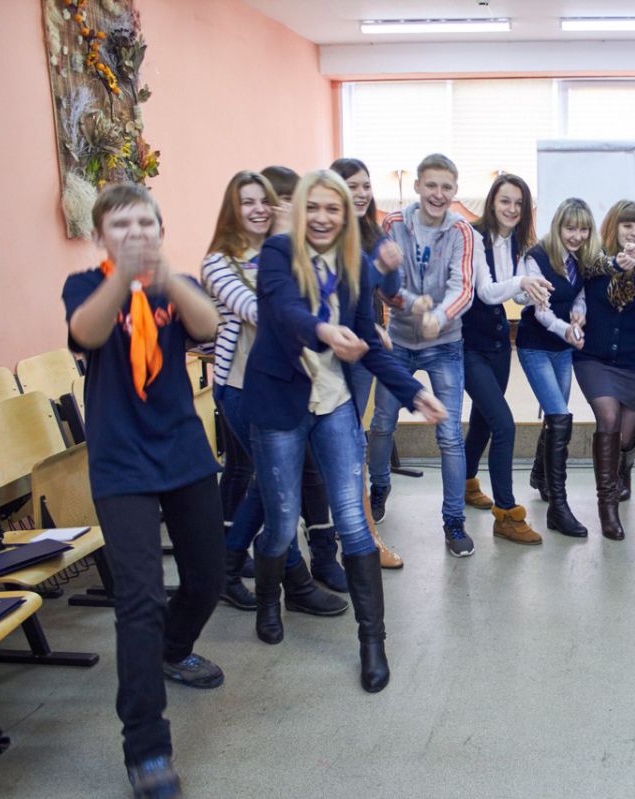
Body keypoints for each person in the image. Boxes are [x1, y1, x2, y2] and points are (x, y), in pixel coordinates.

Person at [244, 170, 446, 691]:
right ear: (300, 209)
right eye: (313, 207)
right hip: (280, 401)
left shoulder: (354, 263)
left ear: (345, 215)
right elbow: (283, 310)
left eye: (332, 209)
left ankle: (372, 642)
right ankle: (269, 599)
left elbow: (370, 345)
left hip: (333, 401)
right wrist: (323, 331)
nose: (322, 217)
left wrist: (413, 392)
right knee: (281, 521)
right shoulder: (278, 253)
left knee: (353, 520)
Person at [64, 183, 224, 797]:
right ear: (99, 236)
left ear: (161, 230)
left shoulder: (178, 286)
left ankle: (172, 649)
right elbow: (86, 332)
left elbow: (208, 325)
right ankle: (147, 749)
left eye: (145, 224)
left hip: (182, 449)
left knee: (208, 578)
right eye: (120, 226)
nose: (135, 234)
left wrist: (166, 278)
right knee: (139, 601)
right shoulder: (85, 286)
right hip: (121, 461)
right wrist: (124, 279)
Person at [201, 171, 348, 617]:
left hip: (285, 386)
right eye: (247, 202)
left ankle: (226, 569)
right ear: (232, 211)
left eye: (265, 201)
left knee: (273, 483)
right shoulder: (219, 263)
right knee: (277, 485)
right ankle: (294, 581)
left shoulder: (286, 253)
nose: (259, 209)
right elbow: (263, 311)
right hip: (240, 388)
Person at [369, 153, 476, 557]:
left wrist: (440, 316)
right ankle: (379, 486)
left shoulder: (462, 230)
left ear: (455, 191)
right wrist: (413, 305)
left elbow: (463, 286)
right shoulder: (393, 224)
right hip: (398, 343)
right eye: (431, 185)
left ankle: (454, 520)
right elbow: (383, 282)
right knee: (382, 423)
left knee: (449, 434)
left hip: (445, 345)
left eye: (447, 187)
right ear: (417, 186)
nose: (438, 194)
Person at [460, 174, 553, 544]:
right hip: (467, 344)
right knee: (504, 424)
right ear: (491, 202)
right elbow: (485, 292)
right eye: (505, 201)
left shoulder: (519, 243)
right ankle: (506, 514)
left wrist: (535, 291)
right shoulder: (472, 236)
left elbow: (515, 297)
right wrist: (520, 283)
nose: (512, 209)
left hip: (499, 343)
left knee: (483, 421)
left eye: (518, 203)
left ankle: (466, 483)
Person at [329, 157, 406, 573]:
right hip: (325, 349)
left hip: (361, 353)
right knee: (336, 442)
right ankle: (341, 531)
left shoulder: (374, 233)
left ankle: (359, 533)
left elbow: (389, 291)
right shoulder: (323, 234)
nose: (360, 193)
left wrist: (390, 266)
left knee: (351, 440)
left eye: (365, 186)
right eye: (351, 185)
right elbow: (328, 294)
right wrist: (367, 326)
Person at [573, 200, 635, 540]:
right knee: (608, 419)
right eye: (627, 225)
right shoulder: (592, 260)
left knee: (625, 437)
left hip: (631, 362)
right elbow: (594, 265)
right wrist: (615, 263)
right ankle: (607, 506)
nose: (634, 232)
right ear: (614, 226)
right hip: (593, 358)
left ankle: (624, 469)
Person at [516, 197, 596, 538]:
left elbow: (579, 294)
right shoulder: (535, 257)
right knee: (560, 415)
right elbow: (541, 310)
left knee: (555, 416)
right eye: (570, 228)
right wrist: (566, 329)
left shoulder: (580, 258)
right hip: (536, 345)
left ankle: (540, 475)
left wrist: (580, 312)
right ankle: (558, 509)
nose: (577, 235)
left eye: (583, 229)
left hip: (563, 350)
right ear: (558, 226)